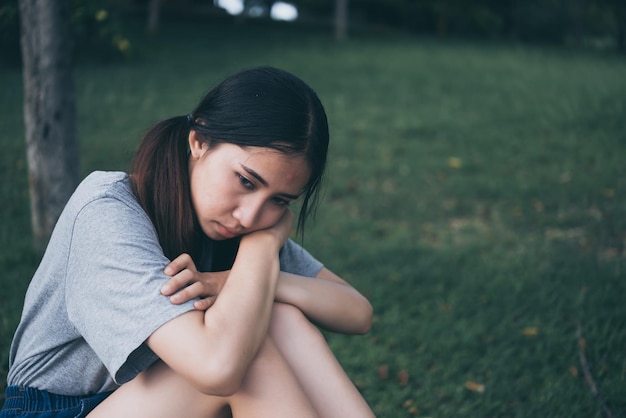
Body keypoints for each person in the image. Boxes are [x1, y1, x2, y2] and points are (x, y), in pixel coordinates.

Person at [1, 67, 375, 417]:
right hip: (59, 409)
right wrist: (263, 247)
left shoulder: (239, 227)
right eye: (246, 181)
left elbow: (357, 311)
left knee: (279, 316)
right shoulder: (107, 209)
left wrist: (241, 278)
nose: (250, 216)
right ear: (199, 141)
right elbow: (217, 369)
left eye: (279, 201)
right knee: (248, 346)